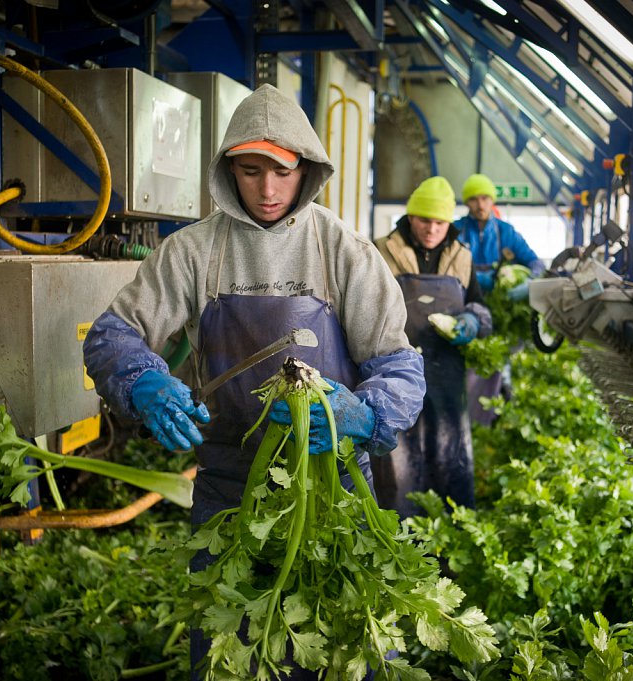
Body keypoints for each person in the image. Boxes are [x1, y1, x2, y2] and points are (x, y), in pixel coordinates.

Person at [83, 84, 425, 679]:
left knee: (341, 653)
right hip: (229, 496)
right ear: (227, 171)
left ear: (307, 170)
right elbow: (113, 335)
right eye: (250, 171)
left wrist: (364, 415)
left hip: (333, 494)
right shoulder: (190, 253)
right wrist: (140, 379)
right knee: (229, 656)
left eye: (283, 172)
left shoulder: (345, 252)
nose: (267, 190)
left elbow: (398, 367)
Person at [370, 177, 491, 518]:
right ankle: (397, 537)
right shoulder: (379, 252)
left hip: (446, 376)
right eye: (425, 220)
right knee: (396, 462)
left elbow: (479, 306)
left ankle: (449, 544)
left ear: (449, 223)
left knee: (448, 453)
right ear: (411, 217)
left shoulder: (462, 257)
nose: (431, 229)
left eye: (440, 222)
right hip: (392, 374)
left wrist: (472, 320)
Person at [455, 174, 544, 425]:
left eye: (484, 198)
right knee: (469, 368)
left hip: (501, 311)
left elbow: (535, 262)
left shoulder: (506, 232)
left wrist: (530, 282)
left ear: (491, 199)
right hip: (466, 306)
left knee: (498, 364)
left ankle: (495, 415)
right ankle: (467, 418)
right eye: (473, 199)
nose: (480, 204)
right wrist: (478, 280)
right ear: (467, 203)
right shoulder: (457, 230)